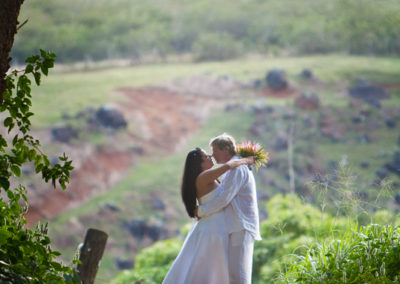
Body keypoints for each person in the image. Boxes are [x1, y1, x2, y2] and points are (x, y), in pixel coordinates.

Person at [162, 147, 254, 284]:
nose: (210, 157)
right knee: (211, 270)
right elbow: (229, 166)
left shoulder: (206, 177)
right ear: (199, 164)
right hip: (214, 228)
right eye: (206, 157)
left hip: (214, 225)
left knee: (211, 269)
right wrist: (247, 159)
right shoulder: (204, 176)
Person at [197, 133, 261, 284]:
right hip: (237, 225)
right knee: (234, 274)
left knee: (238, 274)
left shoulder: (236, 168)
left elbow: (224, 198)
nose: (212, 155)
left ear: (225, 149)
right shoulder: (233, 167)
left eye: (214, 150)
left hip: (241, 225)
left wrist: (201, 211)